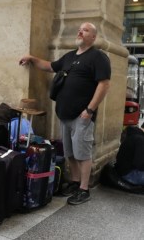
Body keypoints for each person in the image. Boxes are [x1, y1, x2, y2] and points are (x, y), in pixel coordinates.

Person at [19, 22, 111, 205]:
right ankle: (75, 183)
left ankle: (84, 189)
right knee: (69, 152)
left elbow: (104, 84)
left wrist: (89, 110)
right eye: (80, 29)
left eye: (85, 30)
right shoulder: (69, 57)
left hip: (82, 116)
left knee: (82, 154)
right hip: (65, 115)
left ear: (93, 37)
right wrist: (31, 58)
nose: (80, 31)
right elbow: (49, 66)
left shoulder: (98, 57)